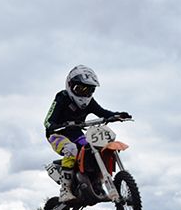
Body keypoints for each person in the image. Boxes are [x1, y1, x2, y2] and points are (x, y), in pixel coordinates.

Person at [43, 65, 131, 202]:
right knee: (71, 149)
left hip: (76, 133)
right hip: (57, 134)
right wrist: (54, 125)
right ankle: (65, 190)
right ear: (70, 85)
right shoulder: (62, 97)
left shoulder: (89, 102)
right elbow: (48, 120)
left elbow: (102, 112)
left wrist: (116, 115)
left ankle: (95, 183)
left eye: (89, 90)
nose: (84, 93)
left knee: (92, 150)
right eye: (81, 89)